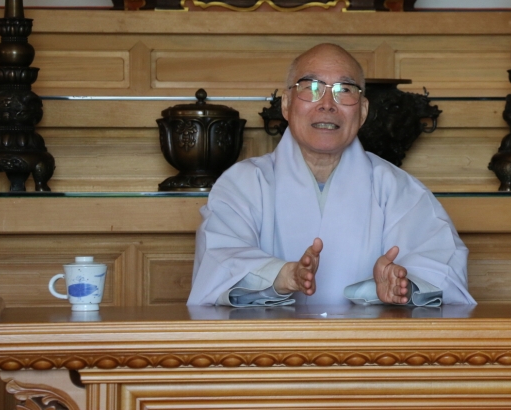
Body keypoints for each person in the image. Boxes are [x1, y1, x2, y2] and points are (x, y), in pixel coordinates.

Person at [187, 43, 475, 307]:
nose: (327, 103)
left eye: (344, 90)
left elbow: (442, 264)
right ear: (286, 104)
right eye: (311, 87)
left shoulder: (398, 189)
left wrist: (405, 287)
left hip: (368, 345)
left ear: (363, 111)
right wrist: (281, 276)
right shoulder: (242, 184)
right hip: (270, 345)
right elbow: (219, 258)